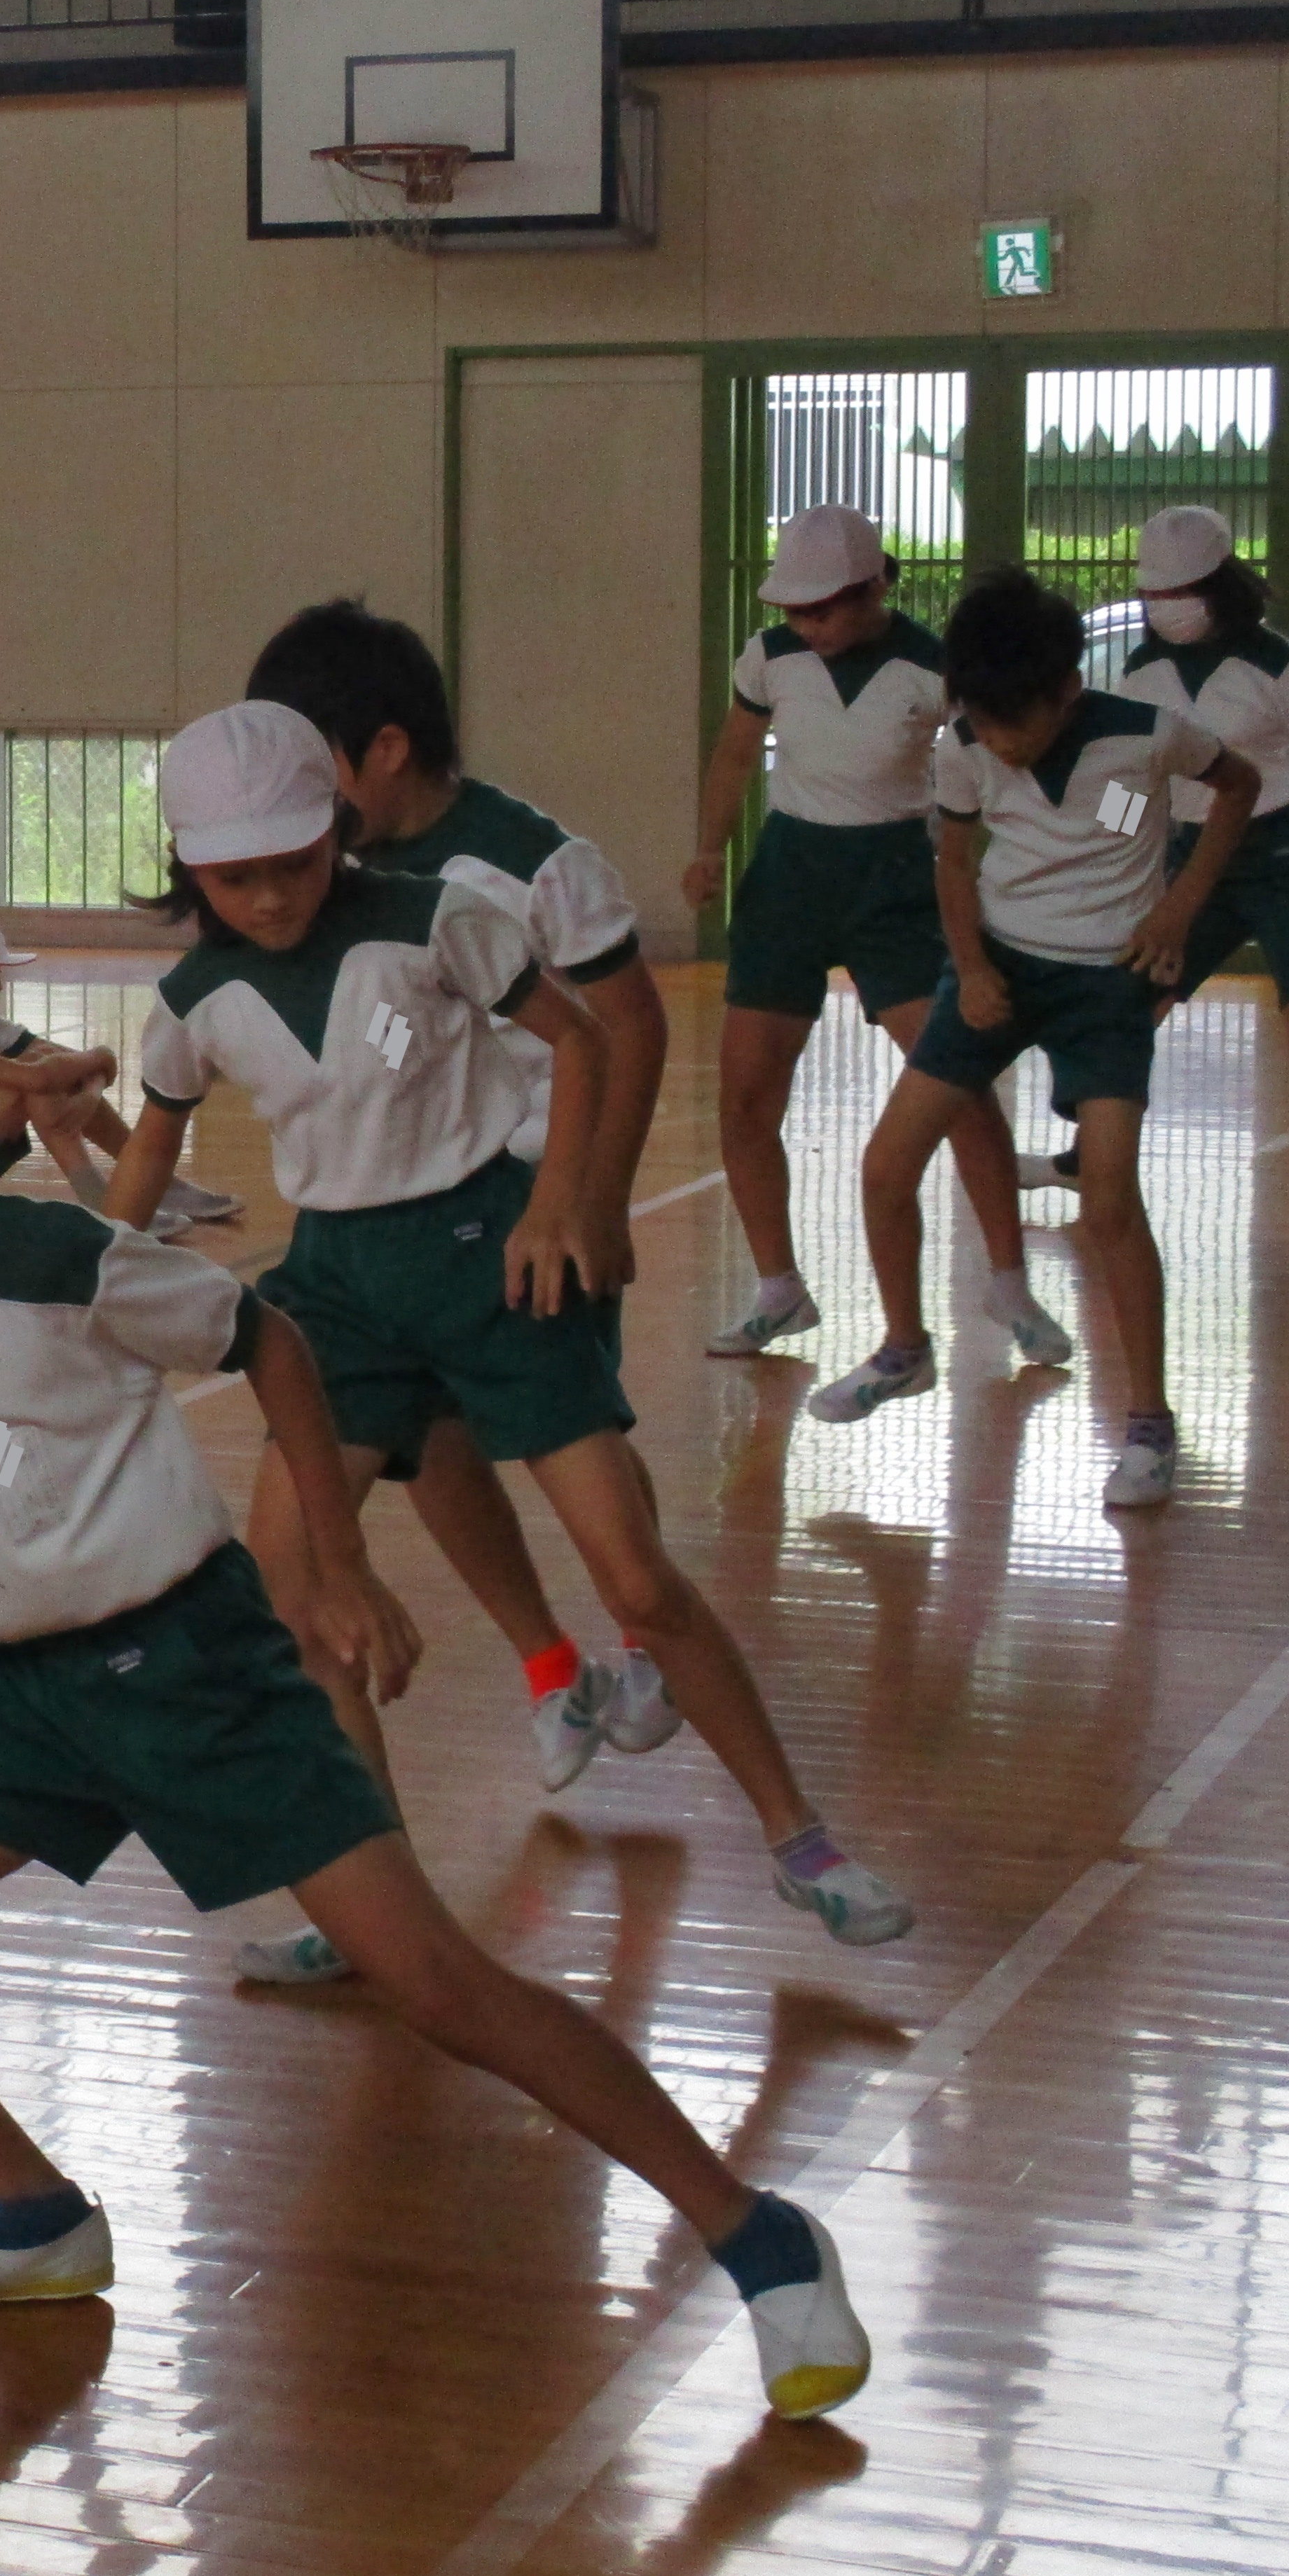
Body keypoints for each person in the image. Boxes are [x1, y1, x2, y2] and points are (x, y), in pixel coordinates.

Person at [0, 955, 873, 2425]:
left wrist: (327, 1562)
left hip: (194, 1670)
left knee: (434, 1984)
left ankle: (754, 2233)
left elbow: (270, 1340)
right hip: (12, 1698)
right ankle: (36, 2217)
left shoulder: (59, 1262)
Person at [104, 705, 914, 1983]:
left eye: (293, 861)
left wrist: (558, 1203)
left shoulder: (436, 915)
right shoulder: (192, 999)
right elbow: (150, 1146)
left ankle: (798, 1837)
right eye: (233, 873)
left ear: (336, 832)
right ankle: (379, 1906)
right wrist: (87, 1290)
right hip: (339, 1291)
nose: (266, 895)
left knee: (636, 1577)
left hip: (489, 1254)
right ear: (187, 866)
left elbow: (579, 1038)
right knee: (295, 1594)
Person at [245, 599, 691, 1797]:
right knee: (426, 1444)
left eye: (315, 764)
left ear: (384, 747)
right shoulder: (322, 875)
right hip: (396, 1215)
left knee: (573, 1433)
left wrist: (592, 1200)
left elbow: (632, 1027)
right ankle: (551, 1665)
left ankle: (645, 1641)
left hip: (532, 1203)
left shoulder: (535, 863)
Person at [813, 568, 1260, 1509]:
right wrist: (971, 970)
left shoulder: (1144, 738)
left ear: (1065, 690)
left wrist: (1179, 906)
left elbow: (1238, 785)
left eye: (1017, 723)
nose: (1001, 743)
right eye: (983, 718)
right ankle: (904, 1350)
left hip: (1109, 989)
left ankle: (1148, 1424)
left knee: (1107, 1204)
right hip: (1000, 972)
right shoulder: (967, 745)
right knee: (886, 1165)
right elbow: (955, 863)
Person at [689, 507, 1068, 1361]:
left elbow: (997, 768)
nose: (805, 626)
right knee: (747, 1095)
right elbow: (733, 755)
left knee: (960, 1090)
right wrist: (708, 850)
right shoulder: (769, 657)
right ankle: (778, 1290)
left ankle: (1010, 1288)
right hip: (788, 880)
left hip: (894, 887)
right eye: (794, 610)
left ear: (873, 589)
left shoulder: (931, 670)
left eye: (822, 609)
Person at [1021, 504, 1289, 1240]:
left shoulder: (1277, 666)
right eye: (1153, 594)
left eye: (1178, 591)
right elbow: (1134, 777)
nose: (1165, 608)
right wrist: (1109, 852)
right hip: (1196, 860)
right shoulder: (1139, 670)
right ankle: (1085, 1157)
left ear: (1218, 585)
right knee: (1128, 1003)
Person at [0, 904, 242, 1226]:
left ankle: (156, 1185)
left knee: (48, 1070)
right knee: (29, 1081)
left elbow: (69, 1062)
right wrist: (97, 1064)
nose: (0, 987)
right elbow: (37, 1077)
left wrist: (91, 1083)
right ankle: (107, 1206)